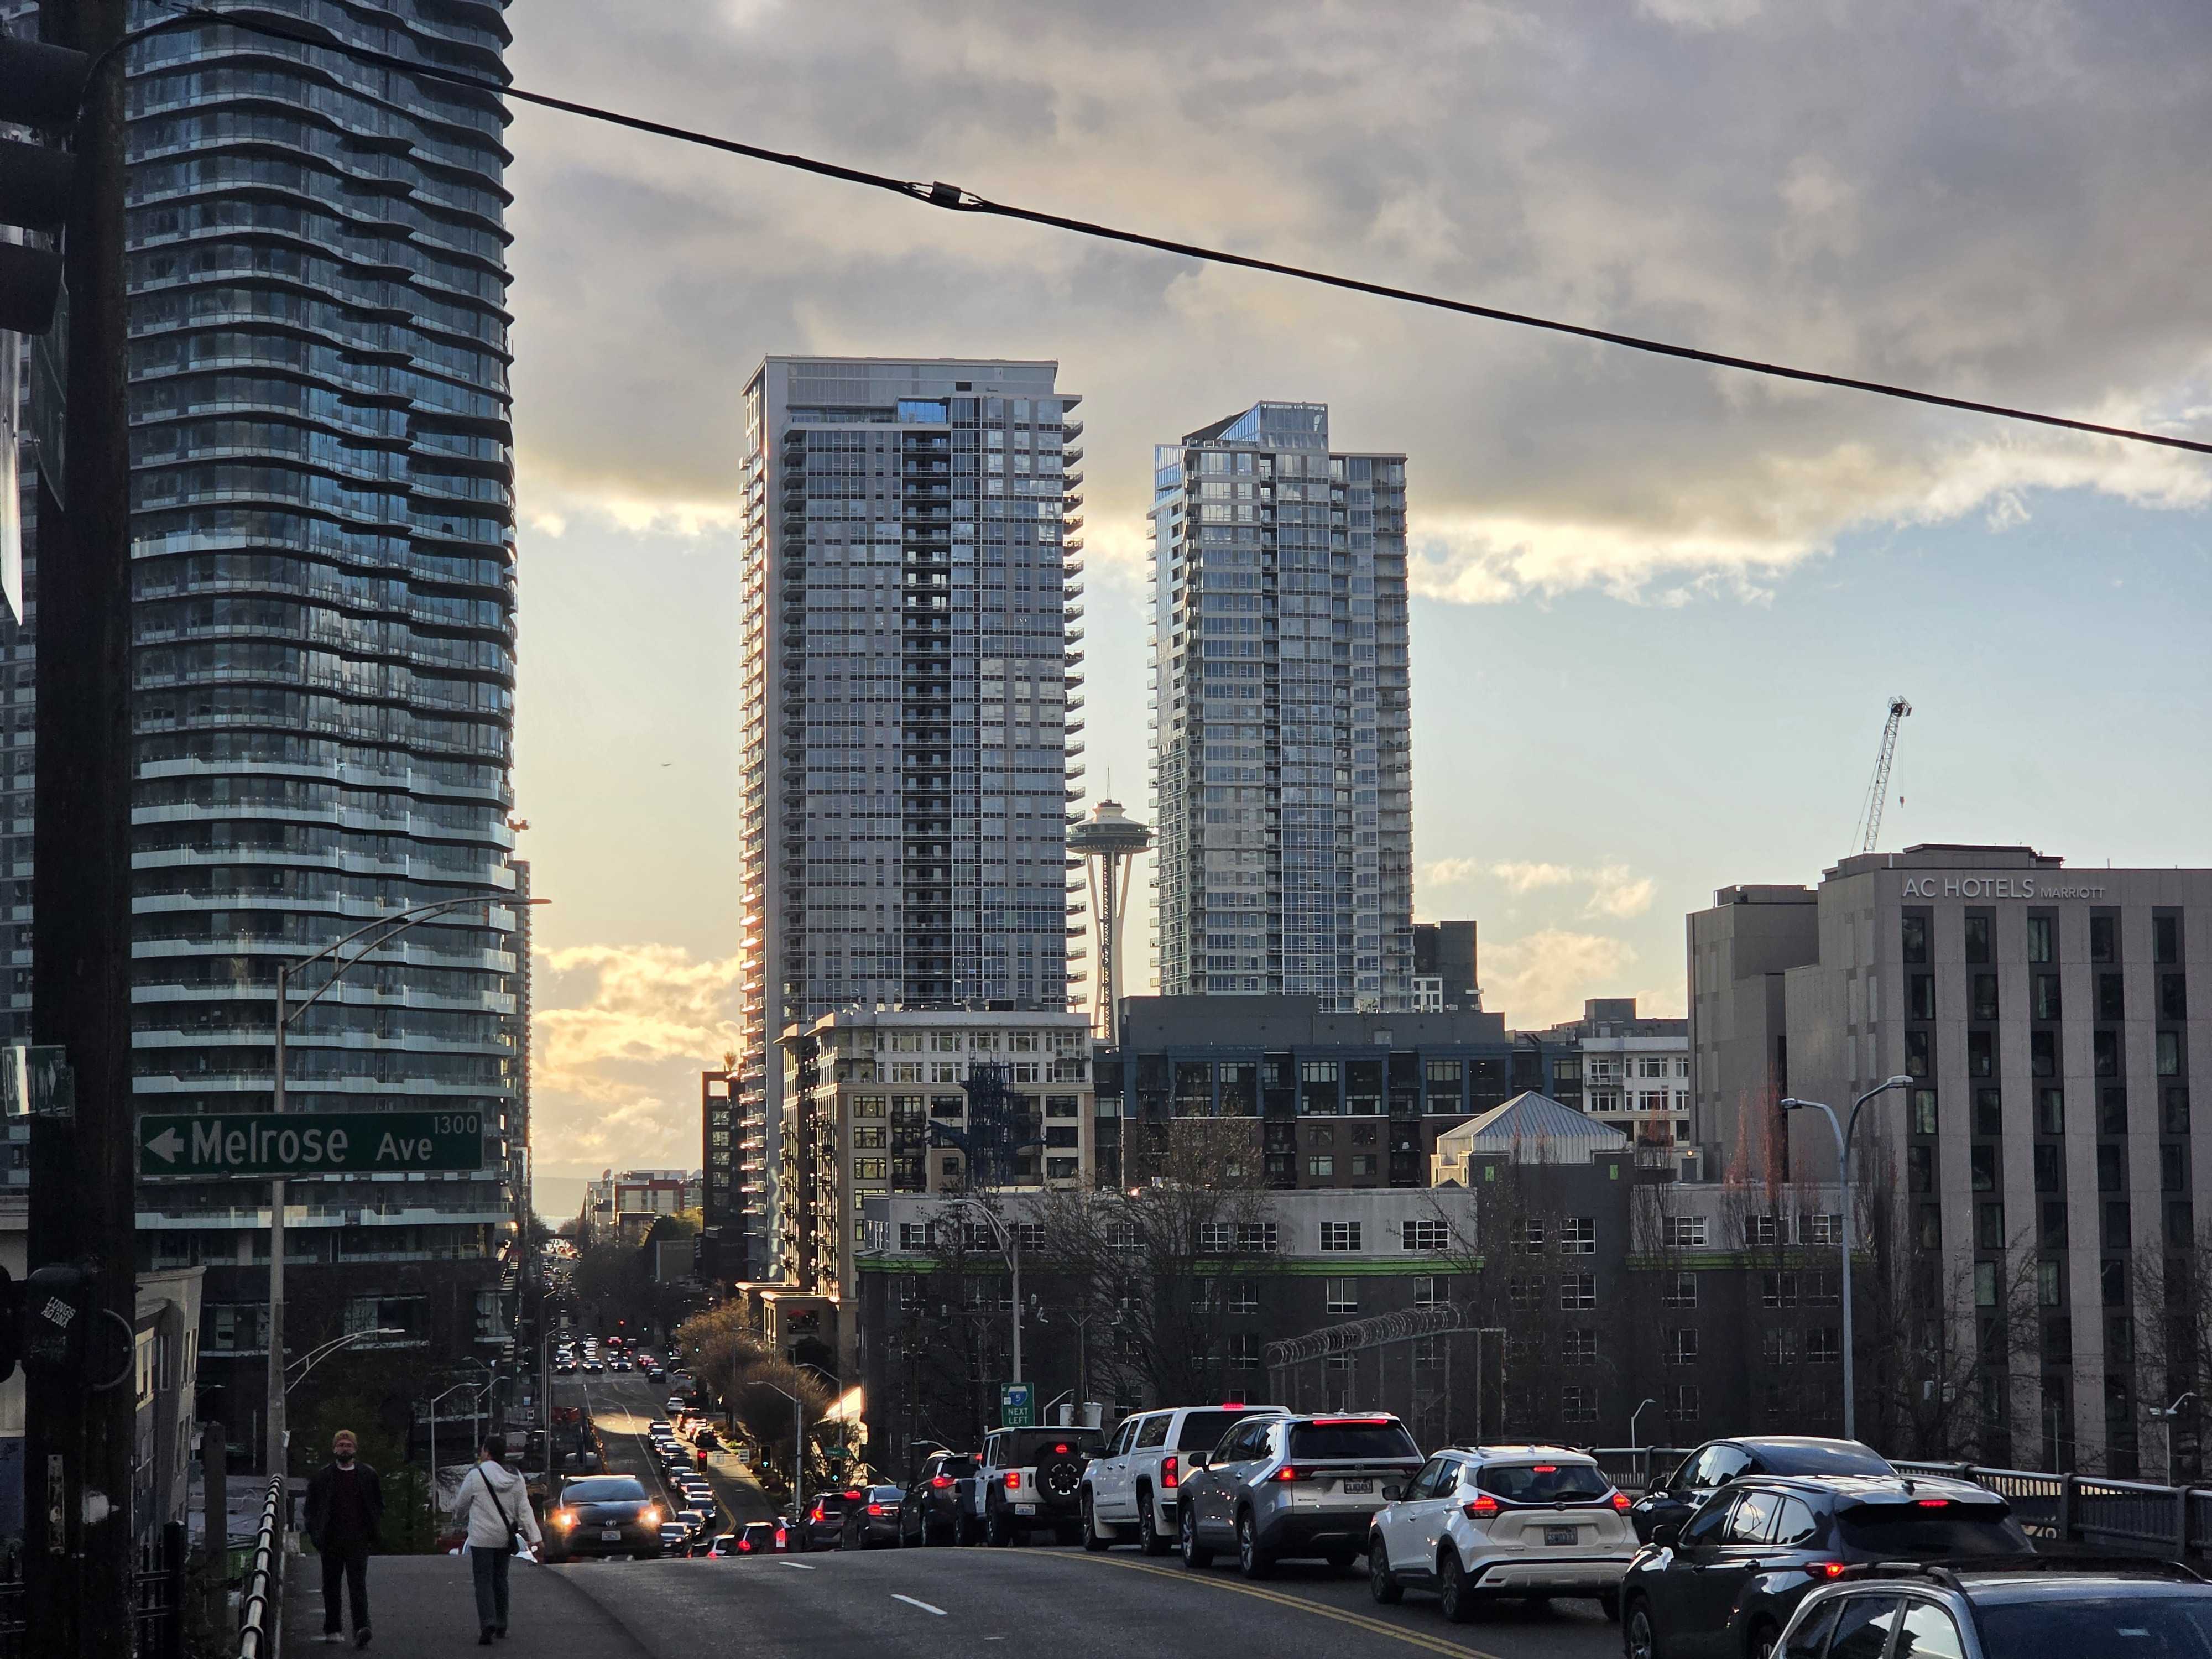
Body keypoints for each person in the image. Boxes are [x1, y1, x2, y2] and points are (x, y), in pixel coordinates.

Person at [450, 1434, 542, 1645]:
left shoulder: (476, 1476)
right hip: (504, 1537)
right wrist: (535, 1537)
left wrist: (458, 1518)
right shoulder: (516, 1477)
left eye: (483, 1450)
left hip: (481, 1539)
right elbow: (524, 1510)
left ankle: (487, 1621)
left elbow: (462, 1505)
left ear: (487, 1452)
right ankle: (501, 1622)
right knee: (501, 1580)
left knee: (483, 1581)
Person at [303, 1428, 382, 1648]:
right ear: (334, 1449)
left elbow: (377, 1504)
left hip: (358, 1540)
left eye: (348, 1445)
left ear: (355, 1449)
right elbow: (311, 1509)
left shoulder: (367, 1475)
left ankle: (361, 1628)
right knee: (331, 1585)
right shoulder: (323, 1477)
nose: (344, 1448)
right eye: (341, 1445)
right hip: (330, 1539)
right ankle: (333, 1628)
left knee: (358, 1585)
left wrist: (371, 1532)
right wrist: (316, 1534)